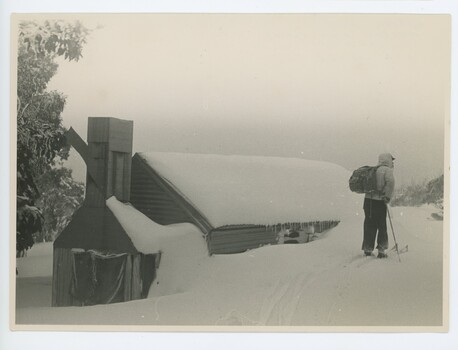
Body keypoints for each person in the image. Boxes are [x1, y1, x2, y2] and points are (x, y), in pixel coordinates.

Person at [362, 153, 395, 258]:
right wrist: (387, 197)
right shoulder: (387, 170)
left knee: (369, 225)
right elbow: (390, 183)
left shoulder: (374, 169)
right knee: (381, 225)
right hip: (379, 201)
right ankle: (381, 250)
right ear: (388, 160)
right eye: (392, 160)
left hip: (368, 201)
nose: (393, 162)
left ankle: (367, 249)